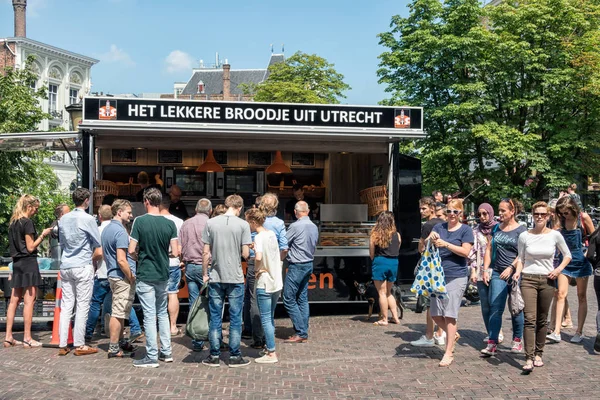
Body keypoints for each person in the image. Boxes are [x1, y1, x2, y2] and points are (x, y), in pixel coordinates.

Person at [513, 201, 572, 371]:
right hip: (528, 279)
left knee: (542, 319)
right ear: (532, 215)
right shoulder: (525, 235)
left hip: (547, 279)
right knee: (529, 318)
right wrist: (518, 272)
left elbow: (567, 255)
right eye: (536, 214)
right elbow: (521, 258)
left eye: (542, 214)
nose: (539, 217)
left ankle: (539, 353)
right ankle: (529, 357)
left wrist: (558, 270)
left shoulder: (554, 235)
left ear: (548, 216)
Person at [129, 188, 179, 368]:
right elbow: (175, 251)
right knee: (162, 313)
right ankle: (166, 352)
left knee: (149, 315)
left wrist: (138, 257)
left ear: (146, 201)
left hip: (145, 272)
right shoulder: (170, 224)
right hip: (163, 273)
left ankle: (151, 355)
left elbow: (131, 249)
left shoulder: (139, 222)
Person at [201, 195, 252, 368]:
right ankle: (235, 355)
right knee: (236, 318)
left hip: (216, 275)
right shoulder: (243, 225)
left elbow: (205, 253)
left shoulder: (211, 223)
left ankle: (214, 355)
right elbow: (245, 254)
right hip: (235, 276)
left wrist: (205, 273)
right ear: (239, 207)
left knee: (215, 316)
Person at [426, 199, 474, 367]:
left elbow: (466, 252)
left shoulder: (466, 230)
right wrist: (430, 239)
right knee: (435, 314)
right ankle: (452, 334)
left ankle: (448, 352)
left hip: (457, 275)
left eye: (455, 212)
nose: (451, 215)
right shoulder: (438, 227)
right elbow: (425, 246)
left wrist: (446, 244)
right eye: (449, 211)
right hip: (438, 275)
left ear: (461, 213)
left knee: (449, 314)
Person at [58, 188, 102, 356]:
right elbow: (97, 243)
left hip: (66, 264)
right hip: (82, 264)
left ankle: (63, 344)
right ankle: (79, 343)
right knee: (83, 304)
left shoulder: (63, 219)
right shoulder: (88, 219)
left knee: (66, 305)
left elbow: (62, 243)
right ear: (86, 201)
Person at [4, 195, 52, 348]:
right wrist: (43, 234)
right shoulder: (27, 223)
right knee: (29, 301)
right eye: (36, 208)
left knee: (13, 301)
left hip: (17, 263)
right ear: (29, 206)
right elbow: (31, 247)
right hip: (29, 263)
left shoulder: (13, 223)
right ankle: (27, 338)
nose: (36, 211)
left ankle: (8, 336)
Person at [480, 199, 526, 356]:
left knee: (516, 308)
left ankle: (517, 340)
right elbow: (489, 248)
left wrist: (512, 267)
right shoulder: (496, 229)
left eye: (503, 211)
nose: (500, 214)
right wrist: (486, 269)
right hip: (498, 273)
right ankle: (493, 342)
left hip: (515, 274)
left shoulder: (521, 230)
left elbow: (522, 253)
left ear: (512, 211)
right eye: (499, 211)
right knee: (495, 307)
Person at [244, 193, 289, 348]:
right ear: (276, 207)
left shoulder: (255, 222)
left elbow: (248, 243)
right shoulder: (279, 223)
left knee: (254, 299)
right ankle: (267, 336)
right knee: (271, 299)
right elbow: (284, 247)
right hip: (274, 266)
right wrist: (277, 260)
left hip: (255, 264)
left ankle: (258, 338)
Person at [548, 196, 594, 343]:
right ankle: (556, 331)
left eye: (566, 213)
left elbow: (594, 238)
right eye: (561, 213)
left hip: (581, 262)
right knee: (560, 294)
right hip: (564, 262)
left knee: (581, 296)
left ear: (573, 209)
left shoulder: (583, 218)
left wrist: (589, 253)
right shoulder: (560, 220)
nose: (563, 215)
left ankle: (579, 331)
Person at [103, 200, 138, 358]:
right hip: (121, 275)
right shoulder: (120, 232)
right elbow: (121, 259)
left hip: (112, 274)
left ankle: (121, 341)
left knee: (121, 310)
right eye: (128, 212)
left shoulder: (107, 229)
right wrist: (130, 276)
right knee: (118, 312)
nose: (131, 215)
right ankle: (114, 347)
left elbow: (105, 254)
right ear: (119, 212)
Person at [411, 197, 446, 347]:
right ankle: (440, 334)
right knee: (441, 301)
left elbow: (421, 246)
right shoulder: (442, 224)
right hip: (442, 266)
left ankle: (429, 335)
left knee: (429, 302)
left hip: (430, 268)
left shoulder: (428, 225)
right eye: (420, 208)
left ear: (432, 208)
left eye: (424, 208)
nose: (421, 211)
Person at [283, 201, 319, 343]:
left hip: (297, 264)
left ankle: (301, 331)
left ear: (296, 212)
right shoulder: (314, 226)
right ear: (308, 211)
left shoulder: (295, 226)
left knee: (288, 298)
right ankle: (303, 329)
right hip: (308, 263)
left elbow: (284, 242)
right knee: (302, 298)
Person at [468, 203, 504, 344]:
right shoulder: (476, 231)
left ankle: (498, 331)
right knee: (485, 304)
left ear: (491, 213)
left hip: (496, 269)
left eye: (485, 213)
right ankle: (490, 332)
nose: (482, 217)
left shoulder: (498, 228)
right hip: (480, 270)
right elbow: (473, 253)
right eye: (479, 214)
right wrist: (473, 271)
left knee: (495, 302)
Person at [180, 198, 212, 352]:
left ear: (196, 210)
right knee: (212, 302)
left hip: (190, 266)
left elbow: (179, 247)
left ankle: (196, 340)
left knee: (194, 303)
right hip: (206, 266)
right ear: (210, 211)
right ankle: (212, 336)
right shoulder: (211, 224)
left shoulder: (186, 224)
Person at [370, 211, 402, 326]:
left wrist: (374, 260)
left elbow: (372, 253)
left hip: (380, 262)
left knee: (382, 293)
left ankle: (384, 319)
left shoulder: (375, 234)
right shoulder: (397, 234)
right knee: (389, 292)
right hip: (393, 262)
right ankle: (395, 317)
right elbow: (397, 248)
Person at [159, 197, 184, 336]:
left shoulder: (151, 220)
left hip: (157, 262)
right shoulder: (179, 221)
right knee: (173, 293)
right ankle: (172, 326)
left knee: (158, 294)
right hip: (173, 262)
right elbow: (181, 246)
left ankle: (160, 324)